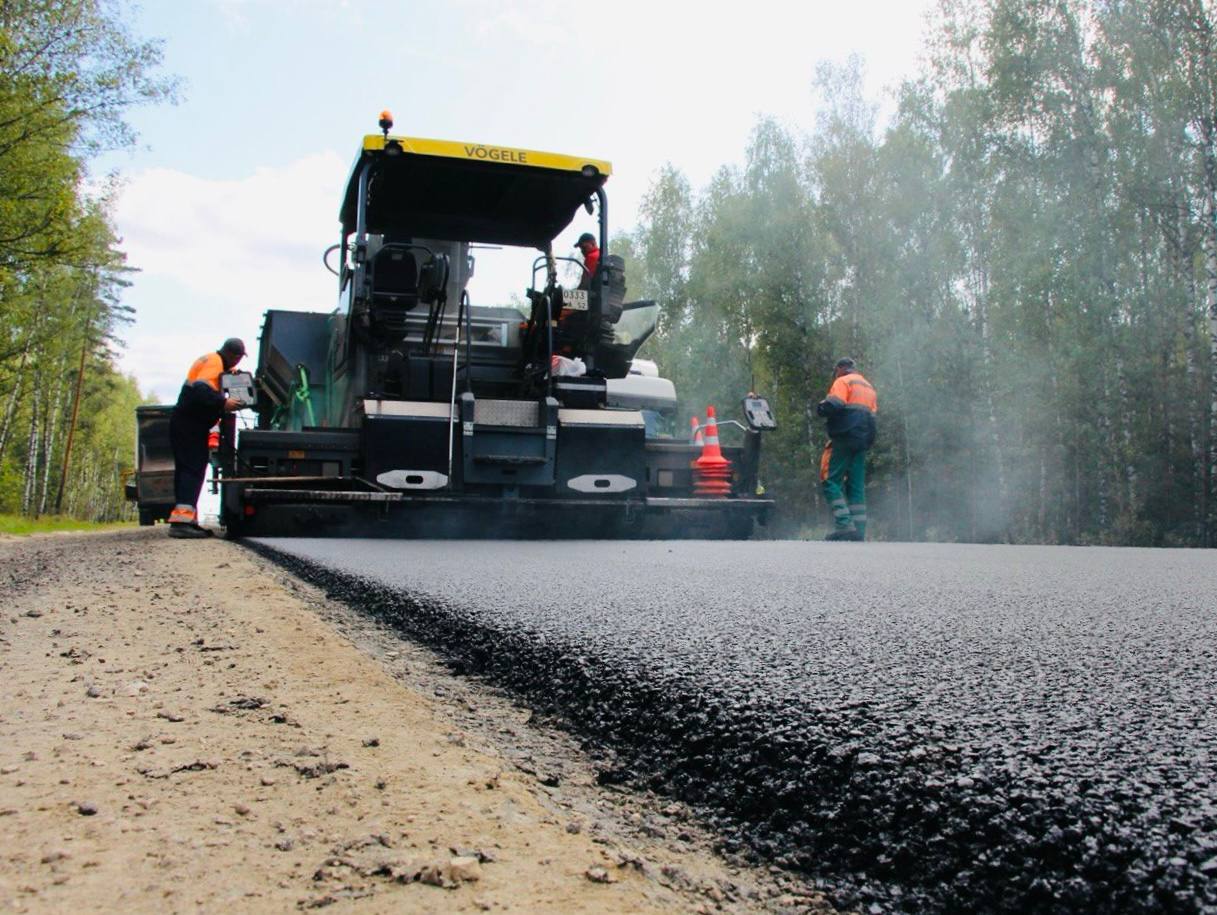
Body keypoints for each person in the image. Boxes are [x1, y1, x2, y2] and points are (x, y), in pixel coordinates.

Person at [167, 338, 245, 538]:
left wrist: (227, 379)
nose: (238, 364)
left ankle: (186, 520)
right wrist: (224, 402)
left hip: (187, 424)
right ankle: (181, 524)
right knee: (192, 469)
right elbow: (200, 391)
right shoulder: (214, 362)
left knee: (188, 469)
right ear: (233, 355)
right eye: (238, 359)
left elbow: (205, 386)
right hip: (189, 424)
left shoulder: (212, 362)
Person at [816, 357, 878, 541]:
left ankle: (844, 524)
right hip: (862, 441)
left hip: (843, 438)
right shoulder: (868, 387)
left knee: (830, 480)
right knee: (856, 485)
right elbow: (873, 419)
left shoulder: (843, 381)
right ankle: (858, 530)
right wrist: (868, 442)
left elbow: (835, 404)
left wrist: (821, 407)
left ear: (841, 369)